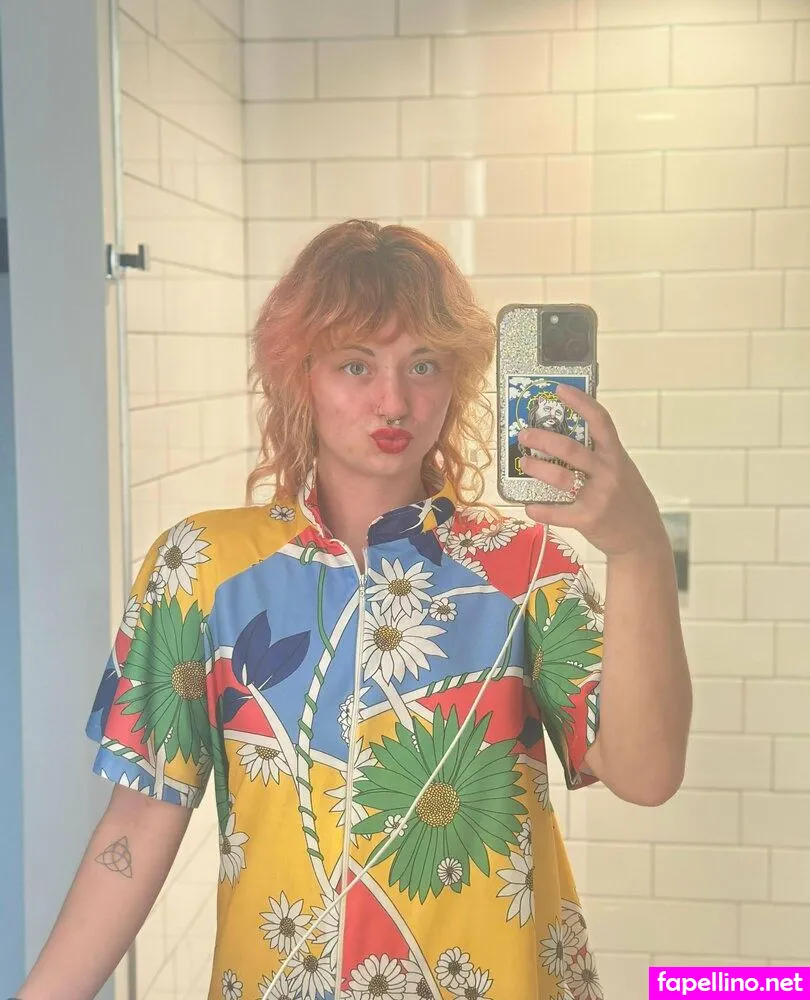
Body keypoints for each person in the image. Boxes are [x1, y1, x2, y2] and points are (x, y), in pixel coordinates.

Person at [15, 220, 691, 1000]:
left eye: (423, 365)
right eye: (356, 364)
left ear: (457, 378)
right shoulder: (200, 570)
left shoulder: (526, 568)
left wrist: (639, 548)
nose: (393, 400)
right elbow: (135, 826)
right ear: (299, 374)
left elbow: (646, 775)